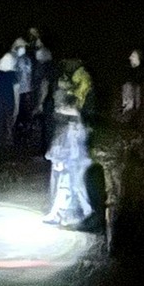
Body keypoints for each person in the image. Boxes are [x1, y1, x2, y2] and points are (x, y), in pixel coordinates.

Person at [43, 89, 94, 227]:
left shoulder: (75, 124)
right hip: (72, 161)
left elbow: (74, 146)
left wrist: (62, 160)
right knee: (69, 188)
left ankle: (81, 213)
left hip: (74, 161)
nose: (58, 109)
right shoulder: (72, 123)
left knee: (73, 188)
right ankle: (60, 213)